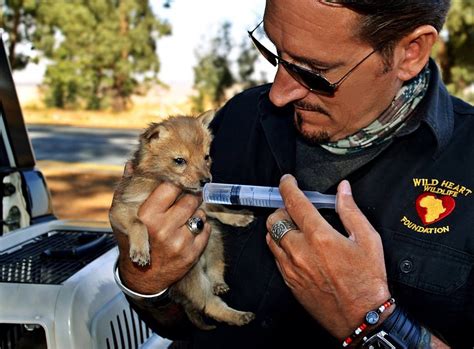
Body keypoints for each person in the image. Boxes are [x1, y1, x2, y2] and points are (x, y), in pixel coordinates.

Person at [112, 0, 474, 348]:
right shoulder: (239, 120)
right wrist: (147, 281)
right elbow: (179, 324)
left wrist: (369, 318)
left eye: (314, 72)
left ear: (409, 51)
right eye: (274, 53)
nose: (279, 94)